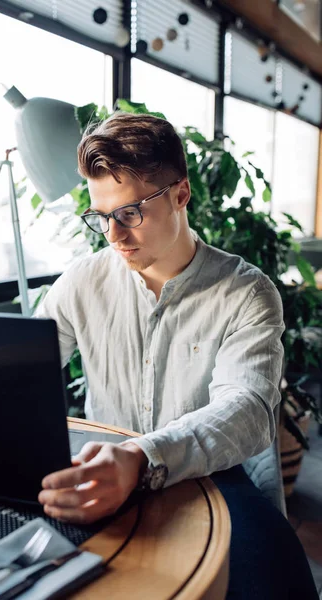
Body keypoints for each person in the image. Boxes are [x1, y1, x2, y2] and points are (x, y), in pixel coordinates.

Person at [35, 112, 318, 599]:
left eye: (130, 213)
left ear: (181, 194)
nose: (114, 235)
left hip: (209, 480)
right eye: (102, 217)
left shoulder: (246, 292)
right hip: (102, 474)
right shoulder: (81, 282)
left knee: (275, 579)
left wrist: (142, 457)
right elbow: (25, 369)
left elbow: (247, 410)